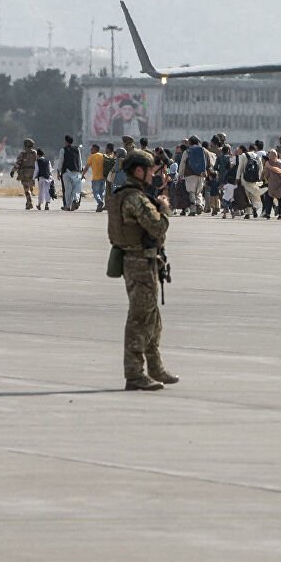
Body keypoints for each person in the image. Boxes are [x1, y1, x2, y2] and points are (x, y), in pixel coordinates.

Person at [105, 151, 178, 391]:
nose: (153, 174)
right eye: (150, 170)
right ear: (139, 171)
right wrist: (164, 210)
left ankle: (155, 367)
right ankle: (135, 374)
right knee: (139, 319)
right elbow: (156, 227)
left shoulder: (126, 194)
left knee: (152, 319)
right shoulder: (135, 198)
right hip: (139, 264)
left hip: (140, 262)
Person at [179, 137, 209, 216]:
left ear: (190, 142)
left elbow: (183, 163)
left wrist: (180, 174)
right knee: (198, 191)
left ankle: (193, 210)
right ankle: (199, 205)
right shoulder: (203, 150)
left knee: (191, 191)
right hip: (201, 174)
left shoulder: (187, 151)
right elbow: (206, 162)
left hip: (190, 174)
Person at [11, 139, 37, 210]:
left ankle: (29, 201)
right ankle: (28, 202)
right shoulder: (35, 153)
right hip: (32, 173)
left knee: (26, 188)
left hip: (24, 173)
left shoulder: (22, 154)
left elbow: (18, 164)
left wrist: (13, 171)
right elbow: (38, 163)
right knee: (30, 188)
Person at [60, 135, 84, 211]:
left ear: (66, 141)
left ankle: (67, 206)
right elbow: (80, 160)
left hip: (66, 172)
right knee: (77, 189)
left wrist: (58, 171)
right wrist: (80, 170)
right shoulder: (77, 149)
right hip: (76, 172)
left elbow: (61, 161)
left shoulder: (63, 150)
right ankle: (75, 200)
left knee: (68, 190)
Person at [87, 143, 110, 212]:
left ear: (95, 149)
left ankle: (99, 202)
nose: (91, 149)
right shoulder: (103, 156)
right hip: (103, 178)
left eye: (92, 148)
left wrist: (82, 175)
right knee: (101, 192)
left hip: (96, 179)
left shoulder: (92, 156)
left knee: (95, 192)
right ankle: (99, 207)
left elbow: (86, 167)